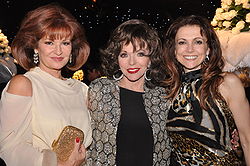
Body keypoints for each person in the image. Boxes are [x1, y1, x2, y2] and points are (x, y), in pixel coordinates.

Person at [0, 3, 92, 166]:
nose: (58, 51)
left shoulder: (82, 90)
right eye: (49, 42)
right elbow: (9, 148)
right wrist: (57, 163)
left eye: (65, 43)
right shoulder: (24, 85)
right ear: (35, 46)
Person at [162, 15, 250, 165]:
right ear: (174, 50)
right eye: (182, 42)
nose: (190, 49)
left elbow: (247, 139)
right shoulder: (168, 89)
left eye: (198, 42)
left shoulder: (226, 83)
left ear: (208, 48)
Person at [87, 19, 171, 165]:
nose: (132, 62)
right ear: (116, 58)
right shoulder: (100, 89)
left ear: (150, 59)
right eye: (124, 54)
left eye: (140, 54)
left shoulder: (162, 96)